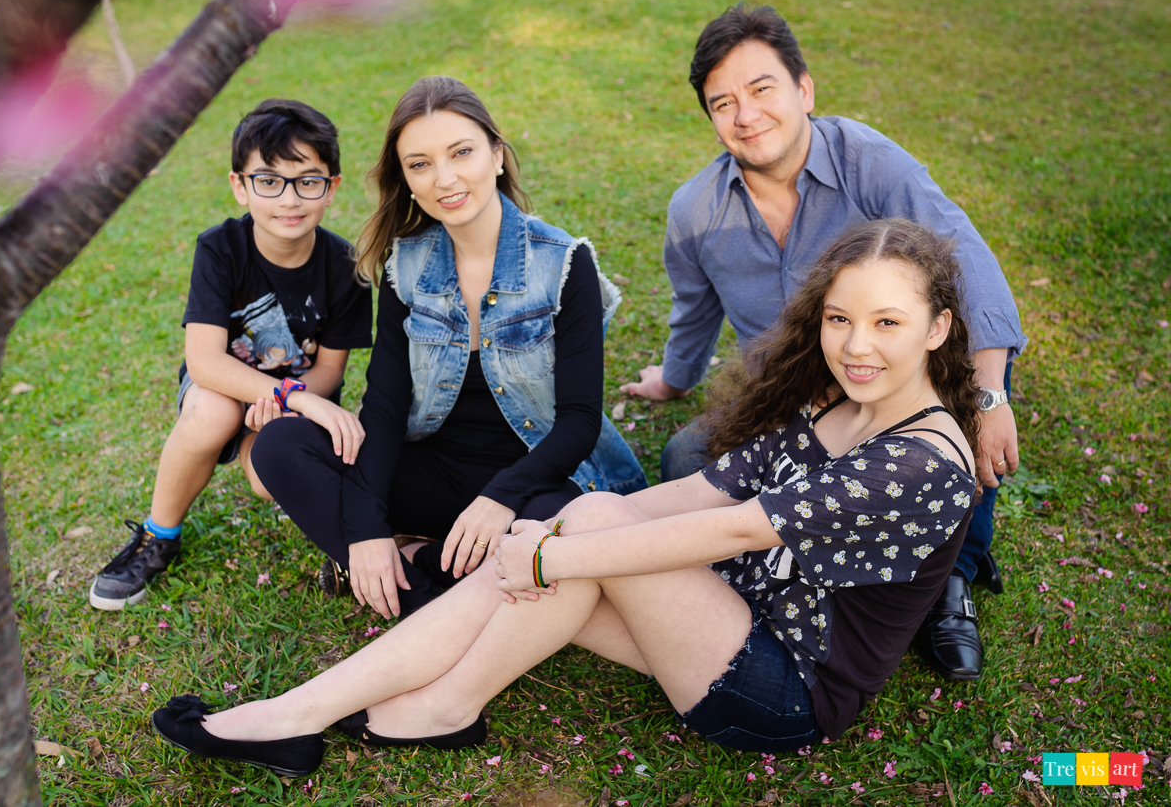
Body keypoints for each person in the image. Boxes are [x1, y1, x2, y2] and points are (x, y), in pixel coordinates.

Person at [152, 218, 981, 777]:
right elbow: (703, 487)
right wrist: (556, 540)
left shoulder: (923, 464)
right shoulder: (837, 403)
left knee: (577, 538)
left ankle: (367, 708)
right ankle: (345, 710)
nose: (855, 345)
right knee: (578, 529)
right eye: (840, 319)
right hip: (731, 612)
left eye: (887, 324)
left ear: (938, 328)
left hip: (787, 687)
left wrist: (554, 548)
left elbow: (730, 529)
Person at [619, 4, 1025, 681]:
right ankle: (786, 563)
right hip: (796, 393)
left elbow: (968, 263)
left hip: (897, 383)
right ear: (711, 119)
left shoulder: (869, 161)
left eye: (761, 89)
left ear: (803, 90)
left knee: (957, 417)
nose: (746, 115)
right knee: (685, 455)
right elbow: (694, 310)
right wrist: (673, 378)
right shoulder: (695, 211)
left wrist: (988, 394)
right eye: (723, 103)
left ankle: (951, 576)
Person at [248, 76, 647, 619]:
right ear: (407, 180)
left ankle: (422, 562)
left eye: (461, 152)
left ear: (497, 156)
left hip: (534, 484)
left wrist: (499, 497)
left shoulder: (564, 264)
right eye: (420, 164)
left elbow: (578, 421)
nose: (445, 179)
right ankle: (418, 595)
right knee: (281, 445)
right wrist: (365, 528)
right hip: (433, 472)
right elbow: (385, 407)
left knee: (564, 533)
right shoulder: (404, 267)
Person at [88, 99, 372, 611]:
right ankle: (159, 536)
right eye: (268, 180)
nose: (289, 199)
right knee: (212, 413)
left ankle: (351, 540)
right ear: (240, 185)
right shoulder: (221, 248)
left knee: (269, 475)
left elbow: (330, 368)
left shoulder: (345, 267)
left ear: (332, 187)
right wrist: (291, 396)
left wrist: (290, 404)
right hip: (224, 388)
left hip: (291, 402)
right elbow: (205, 362)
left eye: (307, 180)